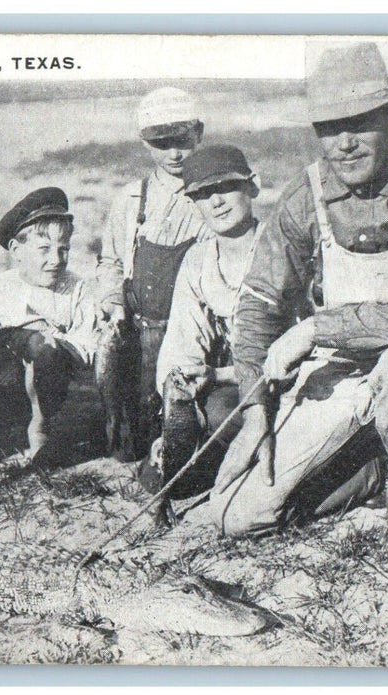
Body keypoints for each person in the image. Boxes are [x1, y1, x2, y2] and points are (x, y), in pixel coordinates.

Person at [209, 42, 388, 572]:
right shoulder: (304, 195)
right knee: (236, 518)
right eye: (331, 127)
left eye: (361, 122)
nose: (346, 142)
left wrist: (316, 329)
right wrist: (255, 409)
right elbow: (260, 305)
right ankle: (377, 465)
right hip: (340, 374)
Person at [137, 145, 261, 502]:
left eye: (226, 188)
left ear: (253, 186)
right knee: (161, 473)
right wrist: (174, 415)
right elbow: (182, 343)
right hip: (234, 385)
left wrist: (221, 375)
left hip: (283, 383)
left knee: (221, 411)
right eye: (203, 194)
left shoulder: (278, 247)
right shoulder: (198, 259)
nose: (216, 202)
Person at [96, 87, 211, 456]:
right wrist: (113, 303)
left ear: (200, 133)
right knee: (130, 430)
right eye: (162, 144)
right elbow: (110, 261)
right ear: (145, 144)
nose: (175, 154)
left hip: (189, 329)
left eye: (183, 141)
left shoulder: (212, 197)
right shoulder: (131, 198)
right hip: (136, 329)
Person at [0, 187, 98, 461]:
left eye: (64, 249)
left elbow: (87, 345)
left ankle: (42, 430)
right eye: (44, 249)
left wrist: (53, 344)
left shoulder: (76, 289)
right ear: (17, 250)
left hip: (52, 388)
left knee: (43, 347)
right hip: (2, 386)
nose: (56, 260)